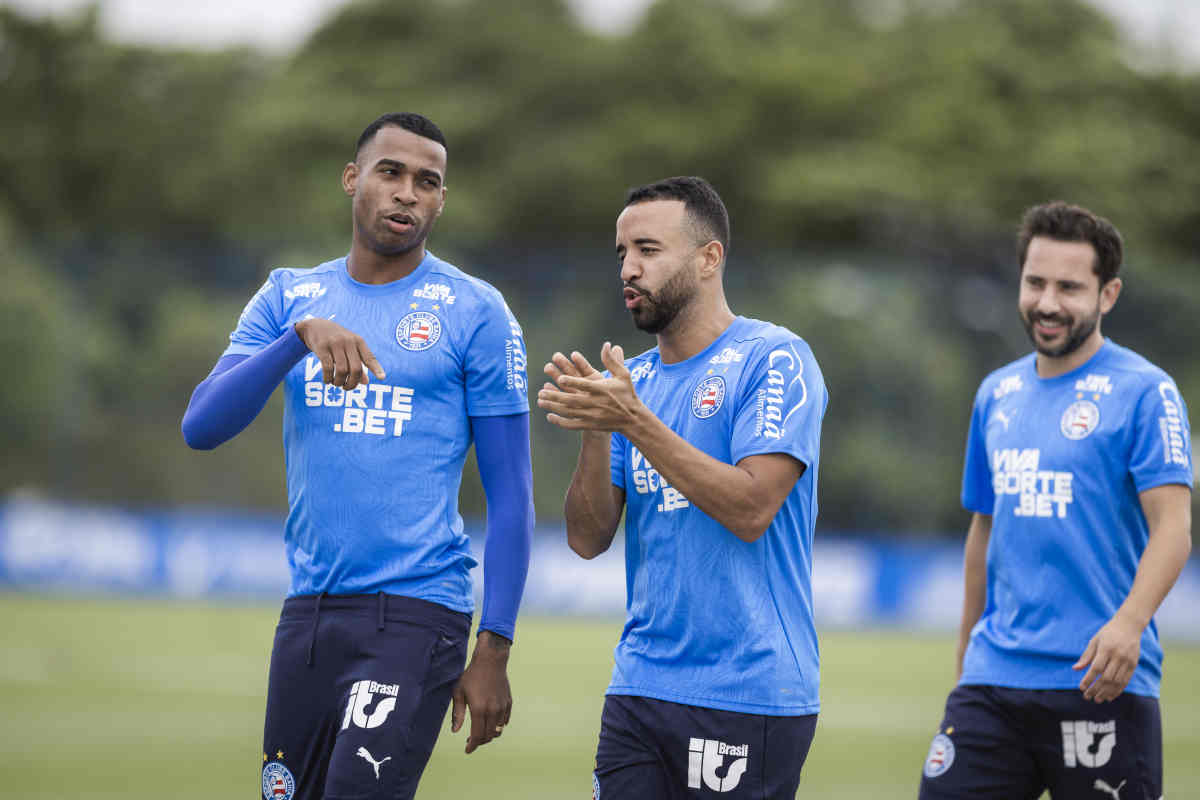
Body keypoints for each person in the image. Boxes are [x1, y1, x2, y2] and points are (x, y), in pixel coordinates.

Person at [181, 112, 534, 800]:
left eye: (427, 182)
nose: (407, 193)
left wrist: (494, 645)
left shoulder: (477, 312)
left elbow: (512, 496)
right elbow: (202, 425)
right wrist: (296, 339)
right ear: (352, 179)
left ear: (441, 200)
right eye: (390, 172)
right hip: (309, 613)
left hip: (416, 612)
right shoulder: (290, 296)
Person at [538, 176, 828, 799]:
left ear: (708, 258)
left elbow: (752, 507)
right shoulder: (633, 383)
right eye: (622, 253)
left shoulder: (774, 358)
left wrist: (632, 421)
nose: (629, 269)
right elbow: (587, 539)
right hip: (639, 687)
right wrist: (598, 429)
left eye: (648, 249)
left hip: (747, 692)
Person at [919, 202, 1193, 799]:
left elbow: (1173, 527)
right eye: (1035, 282)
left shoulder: (1147, 393)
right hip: (992, 680)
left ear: (1108, 294)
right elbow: (984, 531)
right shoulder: (996, 393)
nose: (1047, 302)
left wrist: (1129, 626)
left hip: (1100, 679)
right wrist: (967, 654)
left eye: (1069, 287)